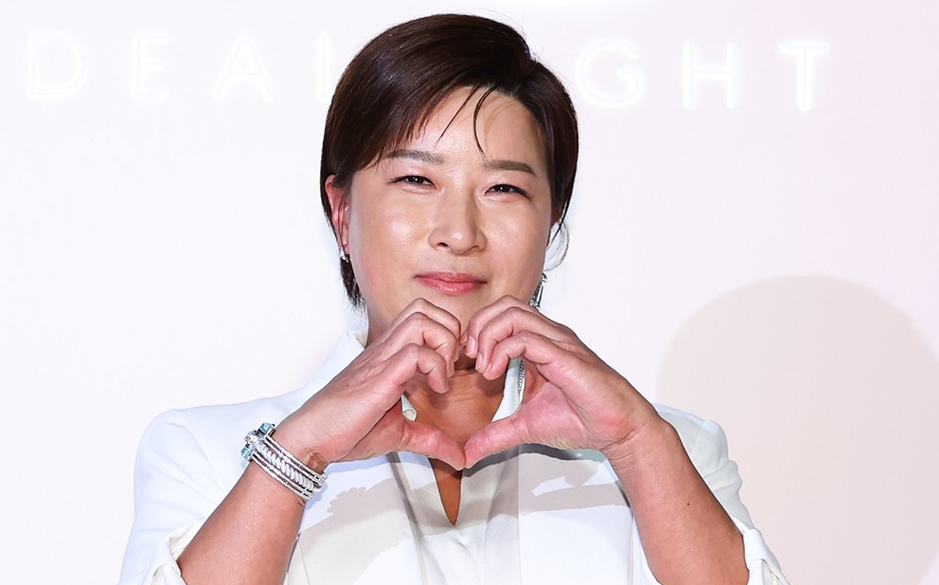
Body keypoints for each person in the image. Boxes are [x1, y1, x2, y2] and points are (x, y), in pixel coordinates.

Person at [118, 13, 788, 585]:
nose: (459, 233)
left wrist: (638, 444)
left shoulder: (668, 448)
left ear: (552, 221)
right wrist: (298, 455)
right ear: (342, 213)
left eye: (504, 189)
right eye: (416, 180)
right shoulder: (206, 453)